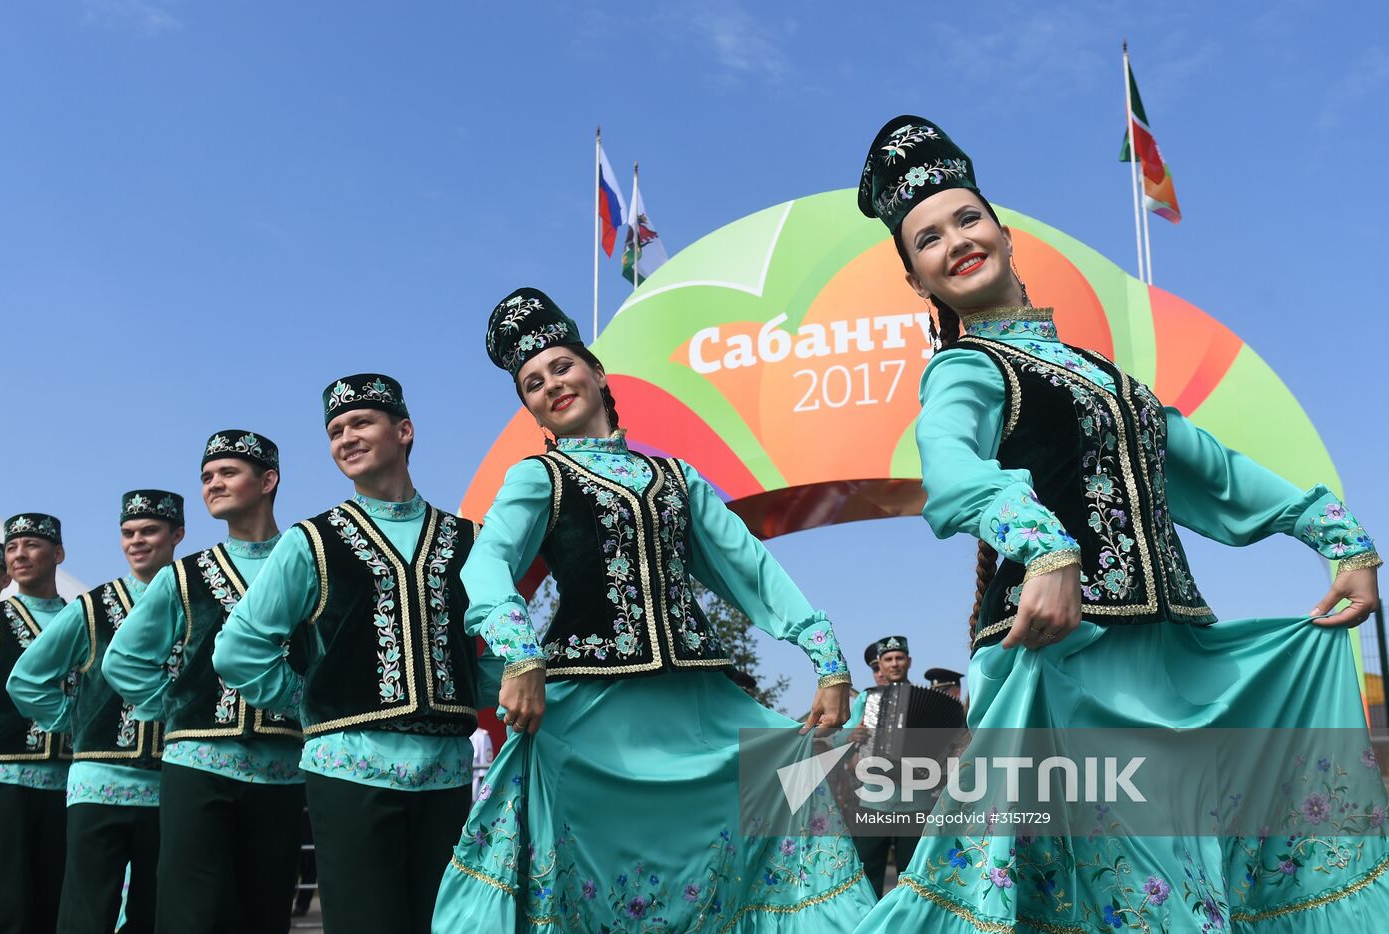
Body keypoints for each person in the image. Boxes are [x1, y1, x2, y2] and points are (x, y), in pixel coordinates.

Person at [852, 115, 1387, 930]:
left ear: (1003, 232)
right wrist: (1044, 546)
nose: (956, 240)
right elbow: (953, 471)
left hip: (1172, 662)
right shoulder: (966, 368)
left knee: (1193, 882)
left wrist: (1333, 533)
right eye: (928, 239)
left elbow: (1212, 467)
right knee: (1148, 899)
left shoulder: (1108, 377)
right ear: (918, 281)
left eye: (967, 218)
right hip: (1067, 670)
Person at [431, 289, 876, 931]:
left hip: (696, 705)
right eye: (533, 383)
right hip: (591, 717)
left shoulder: (676, 479)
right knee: (593, 875)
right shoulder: (539, 478)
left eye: (562, 367)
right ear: (531, 408)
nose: (552, 384)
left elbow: (748, 570)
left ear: (598, 373)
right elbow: (485, 563)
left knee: (788, 774)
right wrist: (519, 652)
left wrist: (826, 658)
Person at [213, 378, 491, 934]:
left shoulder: (470, 539)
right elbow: (239, 649)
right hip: (349, 771)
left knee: (446, 924)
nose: (346, 438)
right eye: (335, 431)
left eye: (361, 423)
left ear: (404, 431)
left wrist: (478, 689)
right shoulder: (311, 541)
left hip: (445, 772)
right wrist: (308, 699)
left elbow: (490, 652)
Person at [102, 431, 305, 934]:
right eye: (206, 477)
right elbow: (123, 660)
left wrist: (302, 704)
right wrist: (176, 705)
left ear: (268, 480)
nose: (213, 484)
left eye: (227, 473)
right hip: (198, 767)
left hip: (283, 768)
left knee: (265, 914)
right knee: (190, 915)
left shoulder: (309, 559)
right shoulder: (185, 576)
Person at [10, 491, 184, 932]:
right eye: (128, 533)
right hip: (98, 784)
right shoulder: (93, 608)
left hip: (171, 781)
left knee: (155, 909)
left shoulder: (192, 601)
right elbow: (27, 678)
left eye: (149, 531)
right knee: (86, 911)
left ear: (177, 535)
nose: (137, 541)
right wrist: (75, 719)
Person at [0, 513, 71, 933]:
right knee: (6, 906)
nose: (19, 554)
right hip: (4, 784)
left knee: (58, 905)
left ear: (58, 553)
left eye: (32, 545)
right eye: (12, 547)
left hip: (70, 785)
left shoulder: (85, 618)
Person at [841, 636, 924, 897]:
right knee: (865, 875)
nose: (895, 663)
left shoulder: (924, 699)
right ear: (881, 664)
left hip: (916, 802)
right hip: (875, 802)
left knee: (914, 880)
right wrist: (850, 737)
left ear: (909, 661)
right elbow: (841, 740)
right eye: (888, 659)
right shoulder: (867, 699)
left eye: (899, 658)